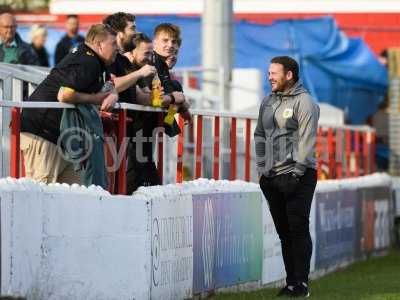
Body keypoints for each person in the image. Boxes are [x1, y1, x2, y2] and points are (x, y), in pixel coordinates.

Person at [20, 24, 118, 185]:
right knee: (42, 193)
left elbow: (110, 81)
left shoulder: (92, 58)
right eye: (113, 44)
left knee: (74, 193)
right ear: (100, 45)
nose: (117, 48)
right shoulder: (88, 61)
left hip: (59, 136)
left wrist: (113, 93)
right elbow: (65, 94)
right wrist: (96, 99)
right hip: (43, 131)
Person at [255, 56, 319, 298]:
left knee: (297, 228)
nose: (269, 77)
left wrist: (297, 172)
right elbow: (259, 134)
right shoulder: (267, 101)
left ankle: (301, 283)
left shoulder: (306, 102)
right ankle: (291, 282)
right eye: (268, 72)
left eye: (274, 73)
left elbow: (307, 139)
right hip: (271, 178)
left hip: (298, 176)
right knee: (283, 231)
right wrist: (262, 169)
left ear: (289, 75)